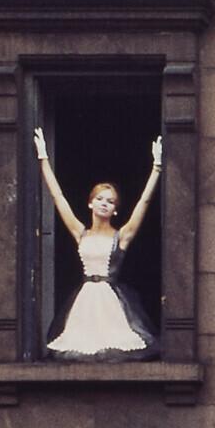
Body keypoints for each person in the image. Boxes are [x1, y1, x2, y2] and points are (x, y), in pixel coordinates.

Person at [32, 128, 163, 358]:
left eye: (110, 201)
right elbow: (58, 197)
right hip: (85, 303)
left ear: (114, 210)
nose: (104, 204)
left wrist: (156, 168)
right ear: (90, 203)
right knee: (80, 347)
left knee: (113, 346)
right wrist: (43, 158)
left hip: (111, 303)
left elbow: (144, 202)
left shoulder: (121, 236)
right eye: (99, 199)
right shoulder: (81, 233)